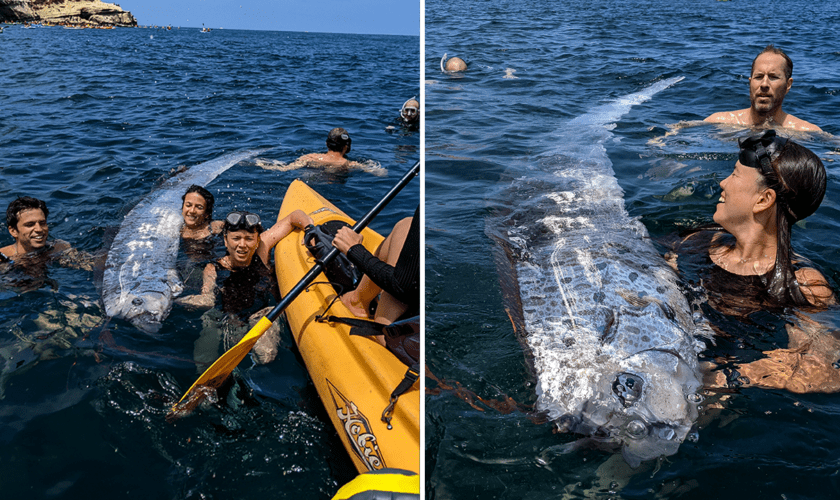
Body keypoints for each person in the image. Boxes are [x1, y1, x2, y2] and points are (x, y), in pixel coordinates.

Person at [666, 130, 837, 392]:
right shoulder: (696, 241)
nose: (723, 183)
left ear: (763, 200)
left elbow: (823, 369)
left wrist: (724, 377)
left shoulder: (803, 284)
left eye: (734, 174)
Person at [176, 208, 313, 366]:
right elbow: (207, 297)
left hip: (262, 313)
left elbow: (293, 217)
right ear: (226, 241)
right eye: (236, 238)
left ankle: (251, 369)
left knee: (266, 355)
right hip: (229, 317)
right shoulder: (213, 268)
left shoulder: (262, 249)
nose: (242, 245)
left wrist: (309, 228)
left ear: (256, 240)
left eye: (249, 239)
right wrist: (177, 302)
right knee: (207, 339)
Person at [331, 206, 420, 328]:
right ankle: (359, 301)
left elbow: (401, 286)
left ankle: (356, 302)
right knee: (407, 225)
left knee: (406, 225)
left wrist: (354, 251)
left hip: (401, 340)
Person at [705, 45, 822, 132]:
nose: (764, 84)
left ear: (788, 85)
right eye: (758, 77)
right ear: (750, 83)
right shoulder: (718, 123)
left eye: (773, 77)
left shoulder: (804, 131)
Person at [1, 196, 93, 272]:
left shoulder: (58, 248)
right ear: (13, 231)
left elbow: (91, 263)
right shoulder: (3, 259)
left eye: (42, 223)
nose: (39, 229)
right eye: (30, 225)